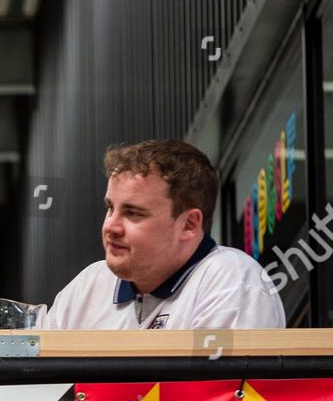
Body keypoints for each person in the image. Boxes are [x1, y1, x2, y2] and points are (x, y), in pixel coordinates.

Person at [39, 139, 285, 329]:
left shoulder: (232, 282)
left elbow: (213, 394)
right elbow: (37, 383)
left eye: (133, 213)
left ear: (189, 224)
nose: (111, 226)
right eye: (110, 208)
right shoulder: (89, 285)